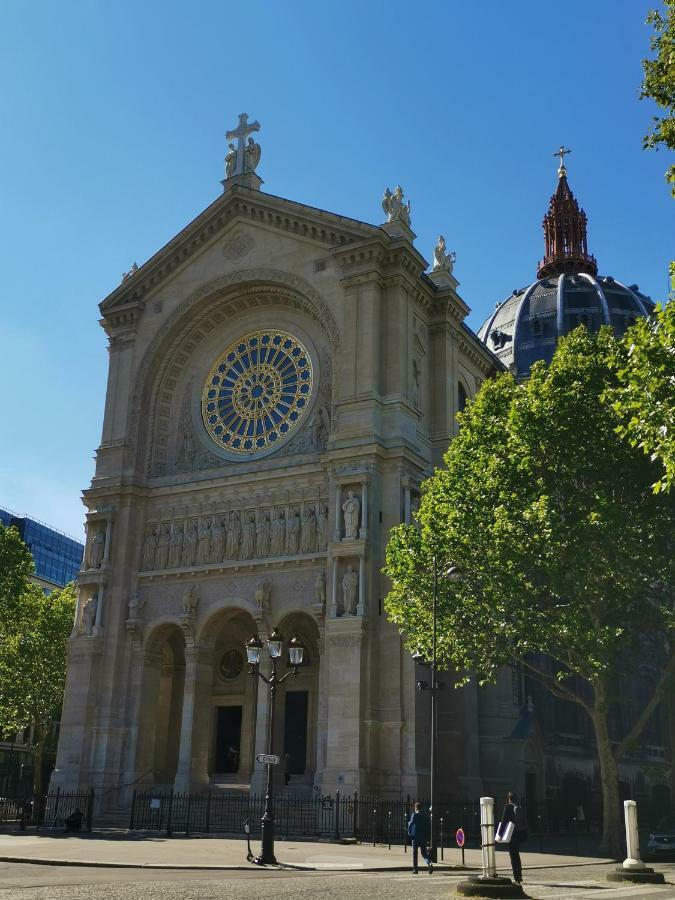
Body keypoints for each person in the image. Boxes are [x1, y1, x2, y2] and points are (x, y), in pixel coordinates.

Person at [499, 791, 528, 884]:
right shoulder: (518, 807)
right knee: (517, 854)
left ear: (509, 798)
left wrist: (500, 834)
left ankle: (516, 878)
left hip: (511, 833)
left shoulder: (508, 807)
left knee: (513, 855)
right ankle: (519, 875)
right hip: (519, 833)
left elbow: (503, 821)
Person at [407, 801, 433, 874]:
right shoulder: (425, 816)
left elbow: (411, 824)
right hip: (423, 837)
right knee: (424, 853)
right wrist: (427, 836)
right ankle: (429, 863)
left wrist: (409, 831)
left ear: (415, 808)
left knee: (415, 853)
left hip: (415, 837)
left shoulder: (414, 815)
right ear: (421, 808)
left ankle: (415, 870)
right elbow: (428, 827)